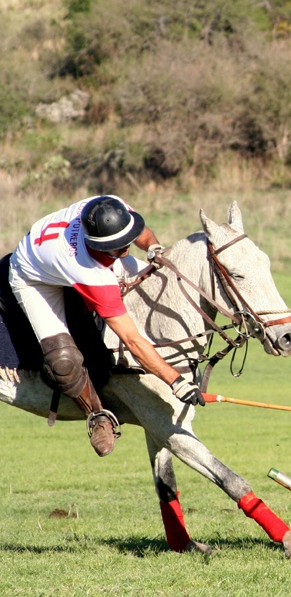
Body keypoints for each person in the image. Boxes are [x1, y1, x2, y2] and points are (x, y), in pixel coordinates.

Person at [8, 195, 205, 457]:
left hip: (65, 251)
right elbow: (132, 340)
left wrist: (154, 247)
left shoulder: (110, 204)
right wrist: (175, 380)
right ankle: (97, 415)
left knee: (160, 281)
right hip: (33, 277)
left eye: (127, 242)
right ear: (97, 244)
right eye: (117, 247)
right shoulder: (85, 268)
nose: (125, 250)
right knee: (62, 360)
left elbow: (139, 230)